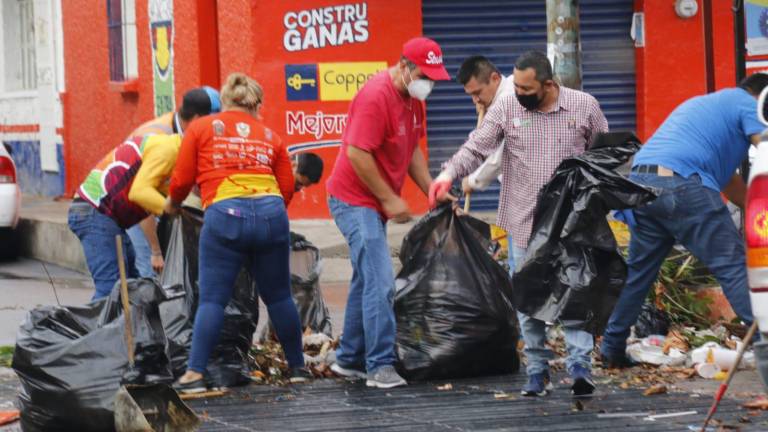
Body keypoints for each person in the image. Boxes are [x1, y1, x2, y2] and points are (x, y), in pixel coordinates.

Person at [430, 51, 608, 396]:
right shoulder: (508, 107)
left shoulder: (584, 106)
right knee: (528, 300)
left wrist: (601, 198)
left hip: (572, 222)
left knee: (575, 292)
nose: (519, 93)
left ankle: (580, 368)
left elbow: (603, 154)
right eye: (517, 86)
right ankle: (538, 371)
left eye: (527, 89)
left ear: (549, 85)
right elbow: (477, 148)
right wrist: (448, 174)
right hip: (524, 220)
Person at [600, 73, 768, 368]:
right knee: (732, 267)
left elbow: (733, 187)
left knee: (639, 275)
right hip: (681, 182)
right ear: (760, 97)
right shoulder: (746, 102)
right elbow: (764, 144)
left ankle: (612, 348)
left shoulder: (709, 108)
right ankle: (765, 344)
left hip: (643, 182)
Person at [166, 73, 310, 392]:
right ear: (257, 105)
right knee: (279, 296)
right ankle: (298, 368)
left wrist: (172, 204)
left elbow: (181, 178)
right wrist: (265, 218)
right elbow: (286, 187)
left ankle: (194, 374)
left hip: (224, 216)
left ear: (225, 101)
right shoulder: (271, 137)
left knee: (213, 300)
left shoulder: (202, 128)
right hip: (272, 215)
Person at [326, 36, 450, 389]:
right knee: (381, 282)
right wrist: (388, 199)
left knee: (366, 277)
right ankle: (379, 366)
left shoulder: (413, 100)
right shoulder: (375, 96)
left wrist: (431, 189)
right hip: (353, 200)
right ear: (404, 67)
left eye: (433, 77)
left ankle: (349, 359)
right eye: (424, 75)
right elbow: (356, 154)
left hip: (374, 202)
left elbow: (411, 151)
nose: (428, 83)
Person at [68, 88, 220, 300]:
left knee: (130, 286)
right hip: (94, 211)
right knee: (111, 290)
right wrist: (172, 214)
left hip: (108, 215)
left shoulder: (176, 146)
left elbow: (172, 191)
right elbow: (140, 192)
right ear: (195, 121)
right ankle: (99, 333)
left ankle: (126, 332)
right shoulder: (169, 147)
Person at [125, 87, 221, 278]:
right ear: (197, 119)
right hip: (137, 207)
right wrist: (155, 250)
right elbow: (140, 195)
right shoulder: (159, 136)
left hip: (159, 202)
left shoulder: (186, 131)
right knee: (150, 271)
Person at [455, 55, 515, 271]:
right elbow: (479, 144)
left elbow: (501, 155)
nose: (476, 101)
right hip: (515, 191)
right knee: (514, 258)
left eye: (478, 93)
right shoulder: (494, 103)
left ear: (495, 78)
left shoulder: (510, 99)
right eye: (471, 96)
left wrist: (472, 181)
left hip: (531, 193)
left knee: (520, 262)